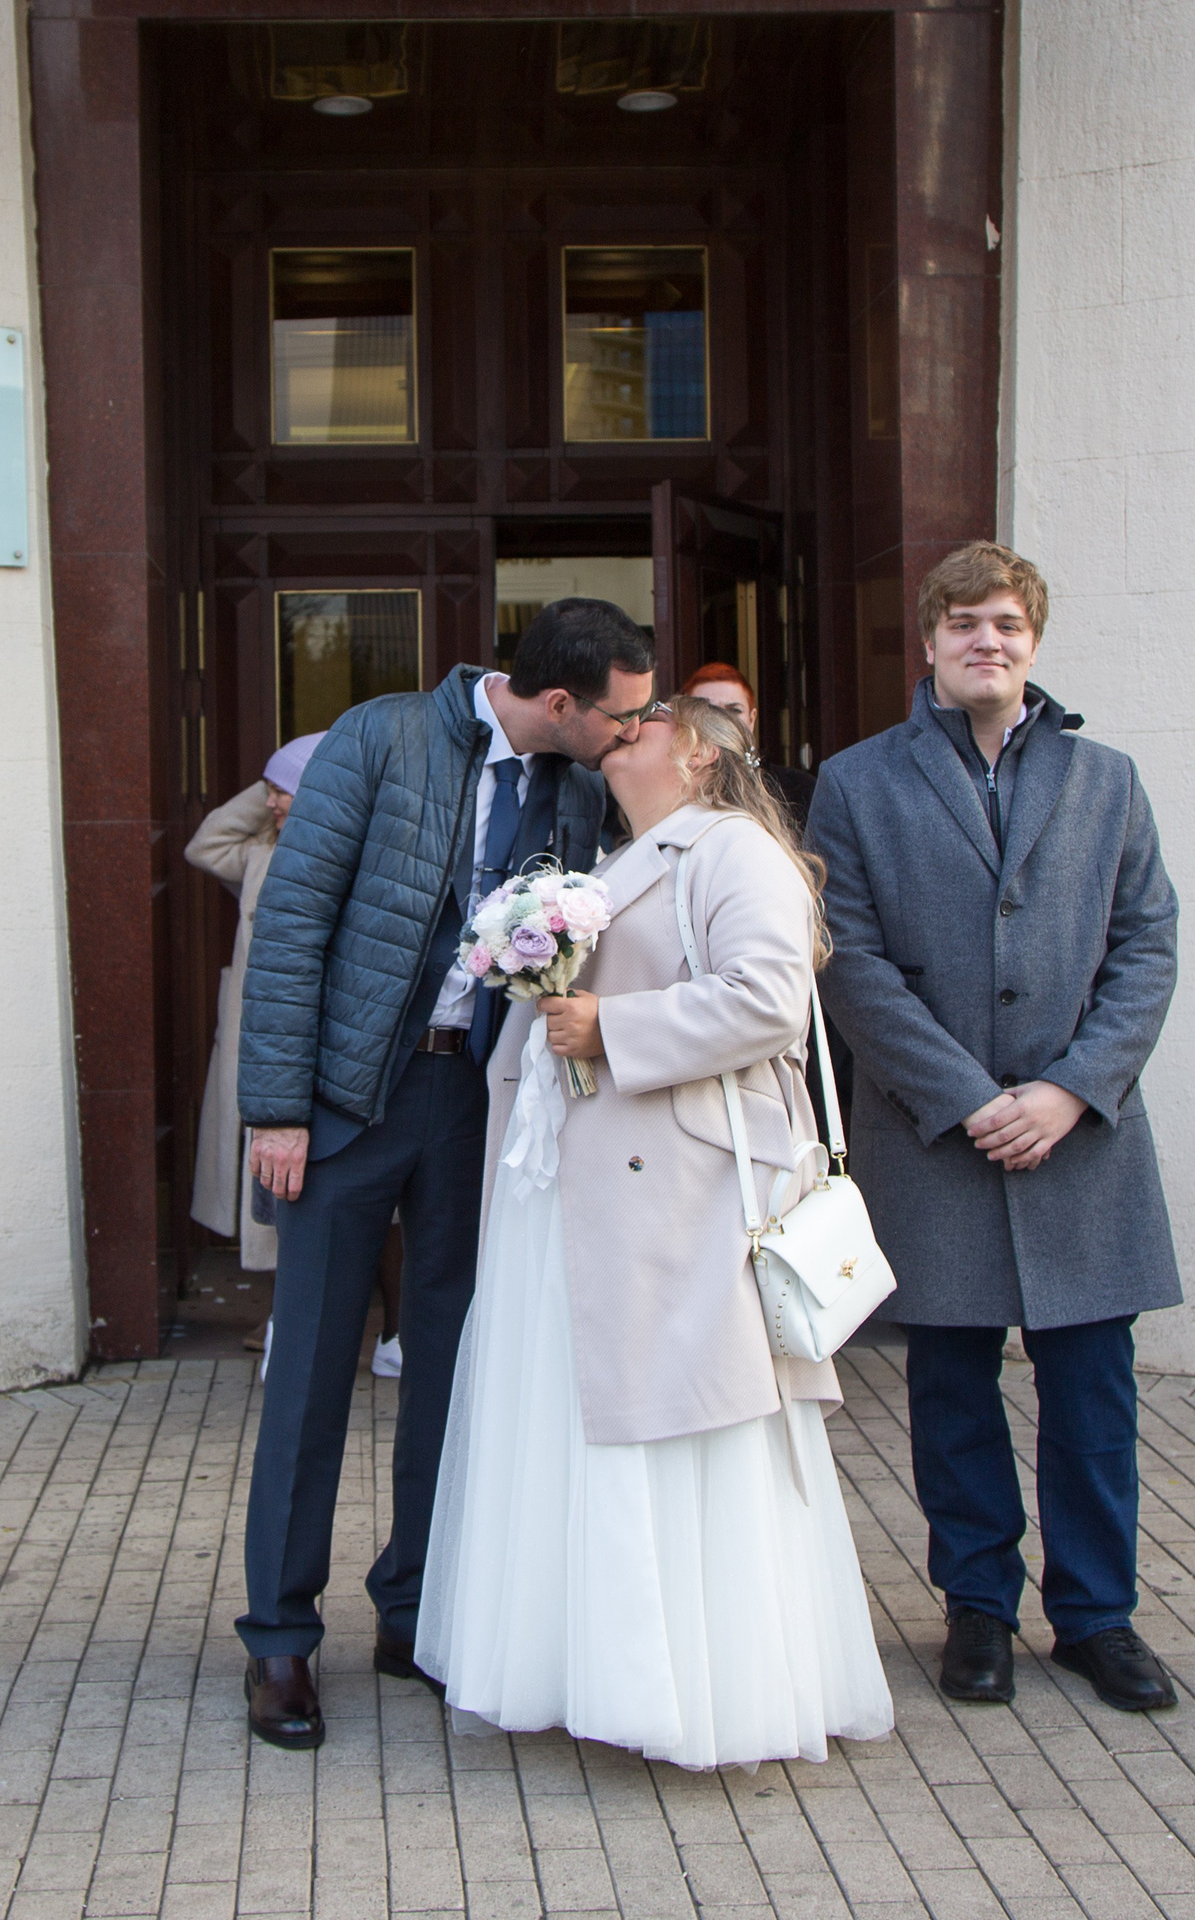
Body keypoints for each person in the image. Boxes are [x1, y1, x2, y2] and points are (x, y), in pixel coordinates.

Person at [417, 695, 894, 1768]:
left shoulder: (735, 849)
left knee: (686, 1431)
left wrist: (609, 1025)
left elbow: (770, 1000)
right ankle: (589, 1669)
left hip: (678, 1196)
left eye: (642, 723)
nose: (617, 733)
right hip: (590, 1189)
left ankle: (698, 1691)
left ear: (698, 752)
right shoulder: (619, 854)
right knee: (591, 1434)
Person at [233, 598, 651, 1750]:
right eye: (616, 716)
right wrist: (276, 1106)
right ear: (559, 701)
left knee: (457, 1368)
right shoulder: (379, 738)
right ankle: (278, 1639)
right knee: (314, 1368)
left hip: (479, 1105)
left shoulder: (576, 784)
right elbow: (294, 923)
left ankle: (415, 1610)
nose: (626, 736)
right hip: (346, 1103)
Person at [806, 542, 1183, 1714]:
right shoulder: (859, 784)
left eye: (1008, 625)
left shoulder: (1107, 779)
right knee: (952, 1390)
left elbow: (1147, 945)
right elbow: (848, 963)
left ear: (1034, 643)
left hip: (1082, 1137)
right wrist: (967, 1098)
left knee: (1092, 1394)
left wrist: (1071, 1088)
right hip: (938, 1137)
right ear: (928, 643)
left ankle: (1095, 1618)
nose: (988, 642)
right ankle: (976, 1606)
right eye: (964, 623)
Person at [187, 736, 407, 1376]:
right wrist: (274, 788)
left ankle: (393, 1330)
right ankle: (291, 1316)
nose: (276, 802)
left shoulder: (366, 859)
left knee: (365, 1197)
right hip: (269, 1054)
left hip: (336, 1058)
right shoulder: (260, 856)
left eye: (288, 789)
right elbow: (204, 844)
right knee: (278, 1196)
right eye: (272, 790)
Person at [681, 661, 819, 821]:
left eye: (734, 710)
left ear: (752, 719)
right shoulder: (669, 789)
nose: (722, 720)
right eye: (707, 711)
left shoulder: (798, 788)